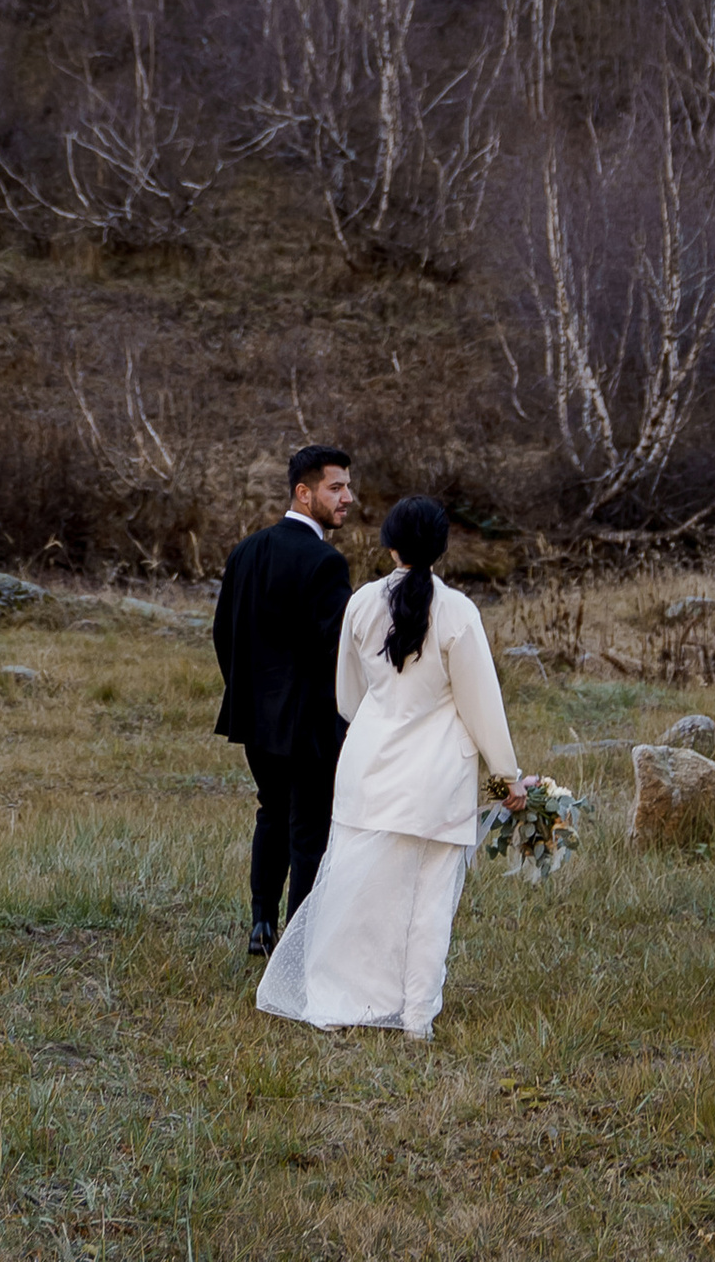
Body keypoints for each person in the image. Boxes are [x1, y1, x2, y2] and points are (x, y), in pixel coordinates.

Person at [255, 493, 524, 1043]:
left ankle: (337, 998)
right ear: (442, 548)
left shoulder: (361, 603)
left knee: (353, 894)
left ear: (390, 544)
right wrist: (506, 776)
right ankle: (415, 1016)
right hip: (435, 780)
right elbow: (483, 708)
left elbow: (348, 697)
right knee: (428, 903)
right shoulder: (457, 613)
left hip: (367, 769)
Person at [211, 444, 358, 952]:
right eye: (335, 488)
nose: (348, 498)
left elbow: (222, 633)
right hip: (311, 721)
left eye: (347, 487)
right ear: (304, 492)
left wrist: (247, 691)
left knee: (271, 812)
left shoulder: (246, 551)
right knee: (308, 827)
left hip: (255, 718)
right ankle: (298, 941)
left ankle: (261, 925)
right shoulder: (326, 562)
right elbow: (339, 651)